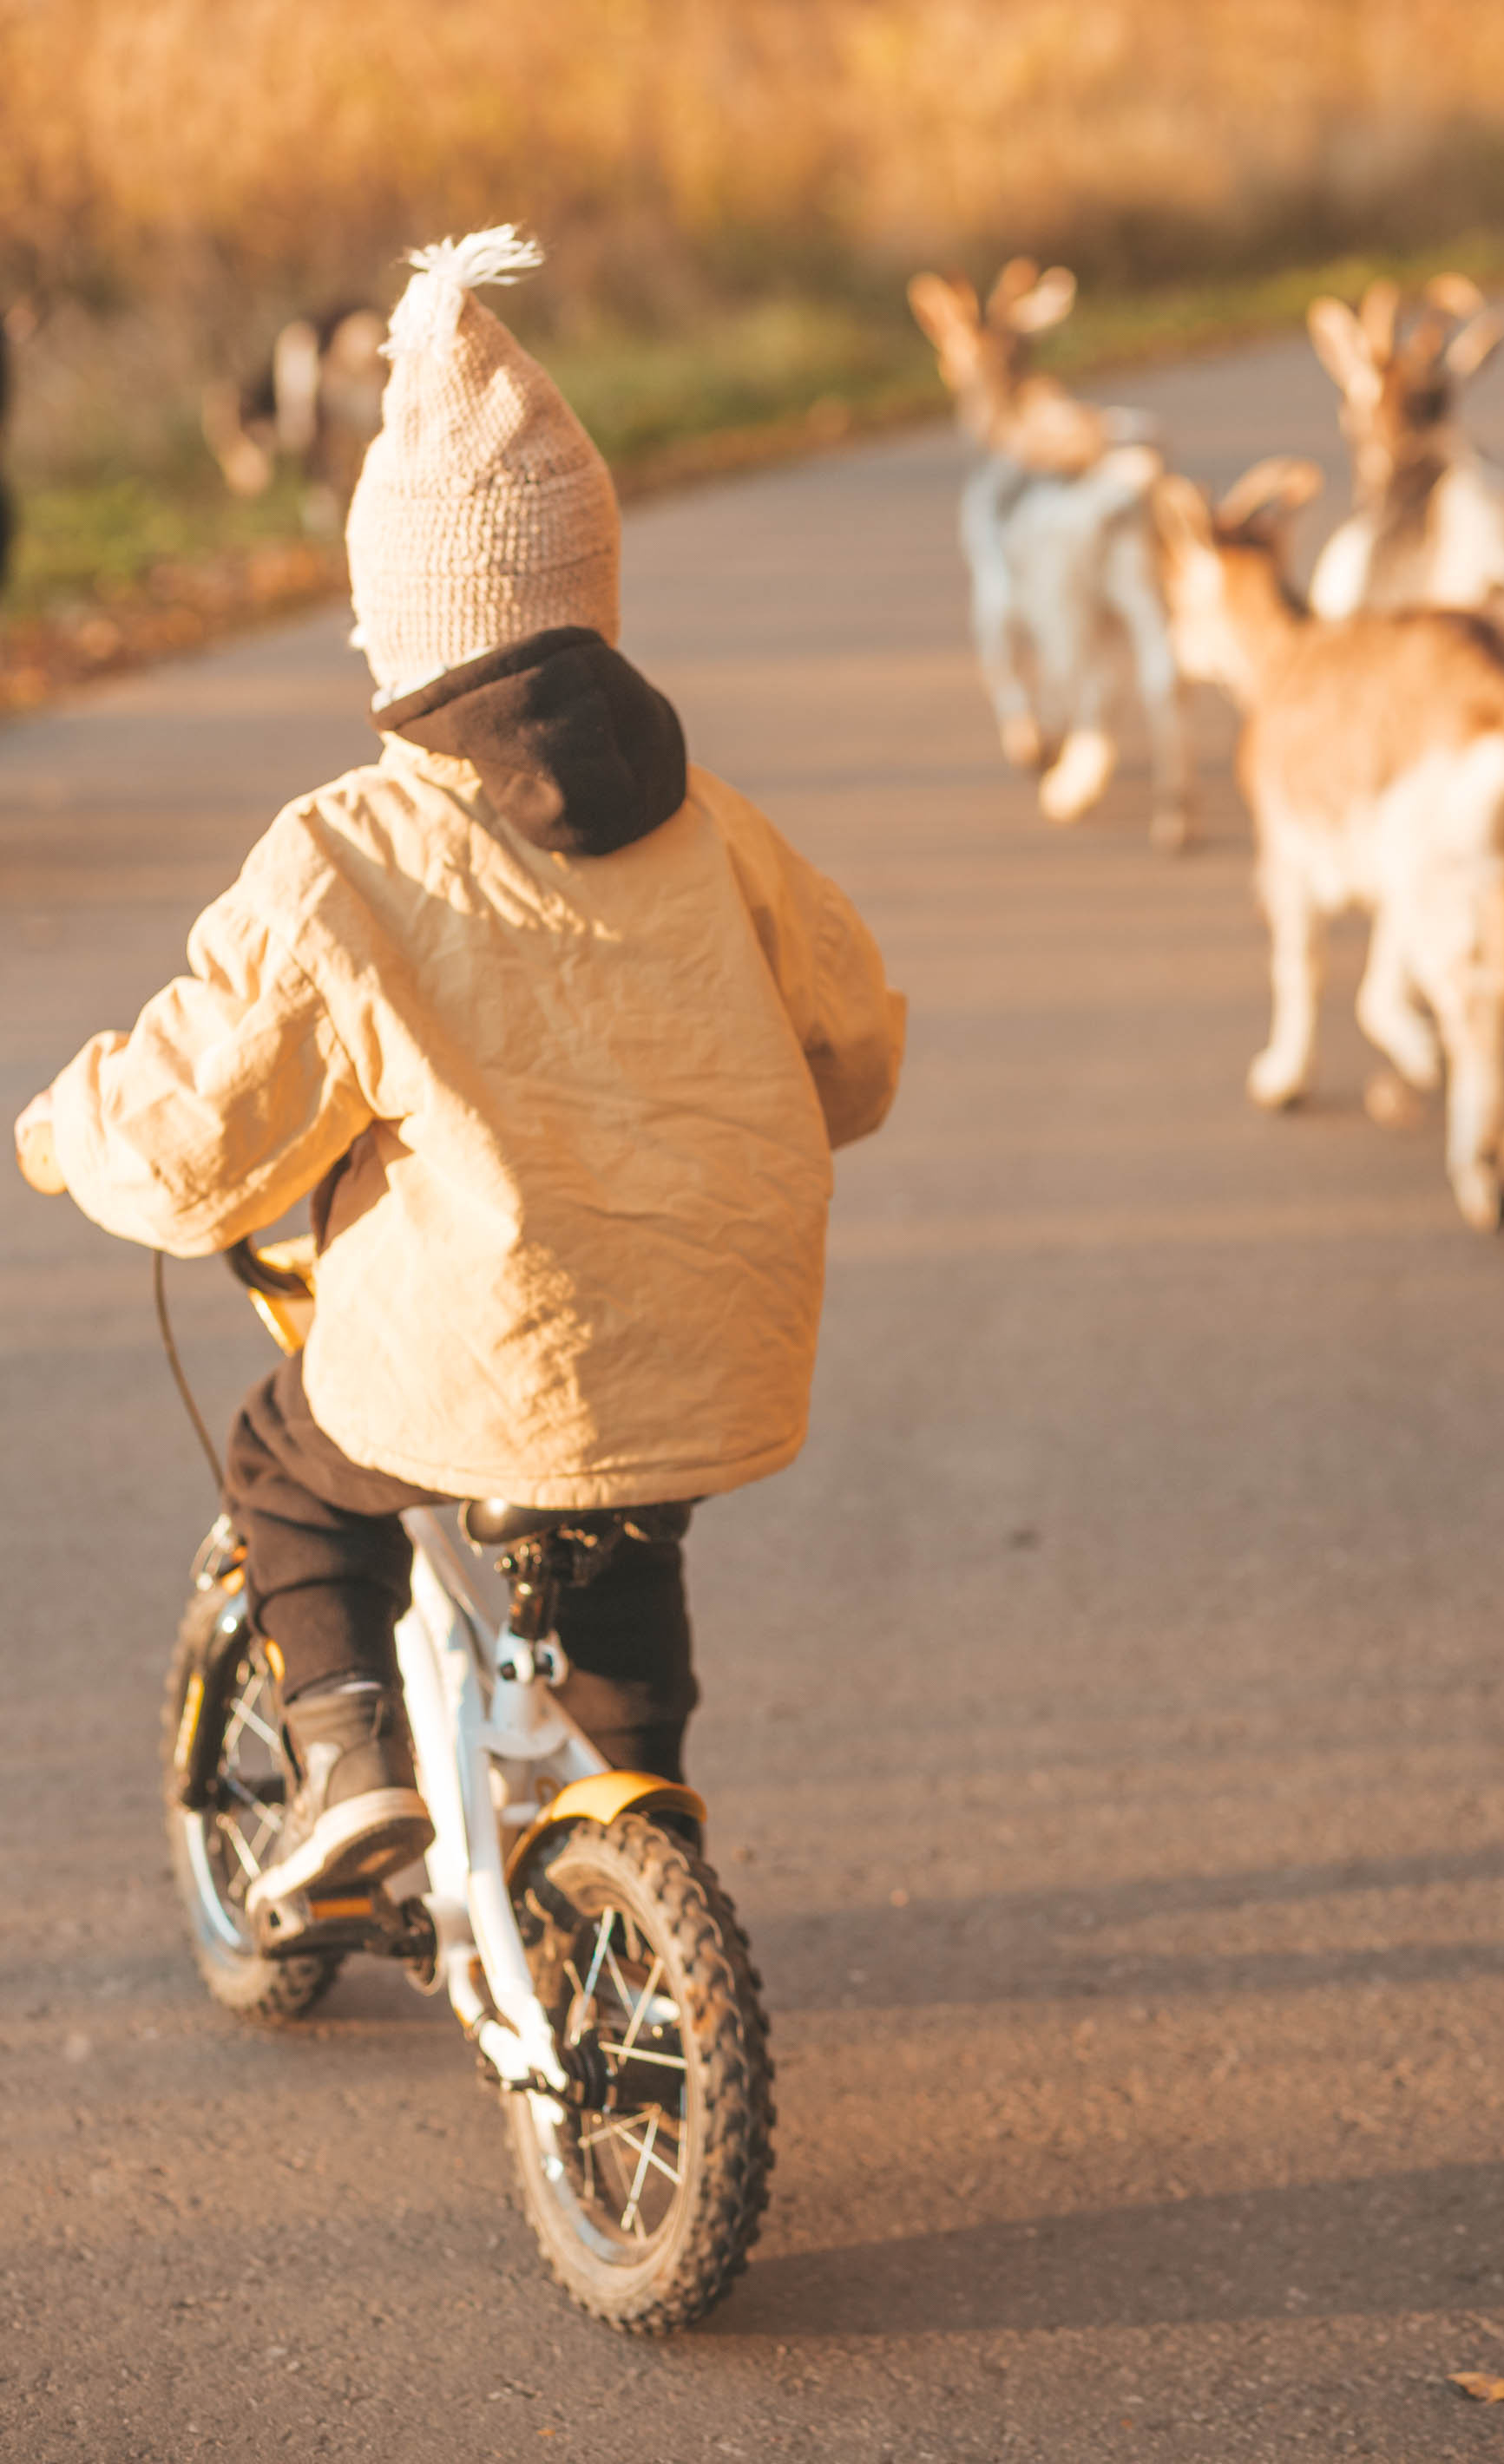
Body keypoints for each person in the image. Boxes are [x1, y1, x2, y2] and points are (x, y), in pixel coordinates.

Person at [12, 229, 904, 1915]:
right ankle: (647, 1825)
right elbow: (853, 1055)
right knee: (617, 1522)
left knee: (295, 1463)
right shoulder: (720, 834)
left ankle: (348, 1764)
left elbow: (204, 1128)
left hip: (490, 1343)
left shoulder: (352, 852)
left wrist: (69, 1132)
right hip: (721, 1327)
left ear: (399, 627)